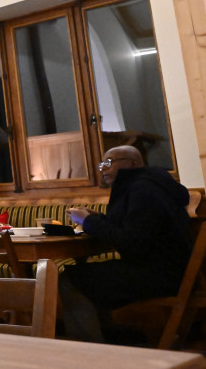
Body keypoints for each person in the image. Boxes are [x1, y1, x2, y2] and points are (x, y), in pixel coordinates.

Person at [60, 145, 192, 343]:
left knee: (70, 278)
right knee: (81, 274)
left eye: (109, 162)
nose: (103, 168)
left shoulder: (143, 190)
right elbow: (136, 229)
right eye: (101, 164)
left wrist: (88, 222)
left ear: (134, 163)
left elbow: (132, 242)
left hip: (160, 275)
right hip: (165, 269)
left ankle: (91, 352)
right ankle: (113, 340)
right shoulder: (146, 185)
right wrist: (99, 219)